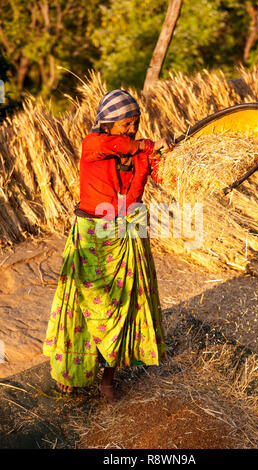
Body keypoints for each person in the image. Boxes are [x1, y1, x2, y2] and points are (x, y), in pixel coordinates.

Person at [43, 89, 173, 404]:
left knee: (126, 308)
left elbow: (164, 176)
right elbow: (108, 145)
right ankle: (73, 372)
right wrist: (141, 145)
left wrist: (171, 156)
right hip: (93, 233)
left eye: (135, 122)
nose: (132, 128)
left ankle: (108, 379)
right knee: (87, 306)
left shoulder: (142, 151)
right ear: (107, 124)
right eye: (126, 123)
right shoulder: (94, 144)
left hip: (131, 230)